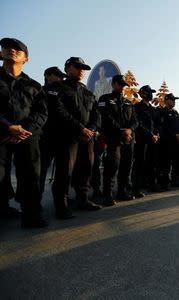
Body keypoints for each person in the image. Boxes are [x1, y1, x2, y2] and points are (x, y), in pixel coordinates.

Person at [0, 37, 48, 228]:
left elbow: (42, 112)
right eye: (7, 47)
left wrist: (23, 130)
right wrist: (7, 127)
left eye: (17, 49)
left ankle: (31, 214)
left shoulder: (34, 85)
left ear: (26, 59)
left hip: (27, 137)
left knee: (30, 176)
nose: (11, 50)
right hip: (1, 134)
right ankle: (2, 208)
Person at [47, 57, 102, 219]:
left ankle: (83, 199)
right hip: (66, 137)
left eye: (83, 68)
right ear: (67, 68)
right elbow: (57, 110)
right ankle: (61, 205)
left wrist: (91, 130)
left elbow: (96, 114)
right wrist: (80, 128)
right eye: (77, 67)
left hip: (87, 139)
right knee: (65, 171)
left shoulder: (87, 91)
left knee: (86, 168)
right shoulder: (57, 87)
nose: (81, 70)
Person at [99, 75, 138, 206]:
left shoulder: (128, 102)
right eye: (120, 84)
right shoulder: (105, 99)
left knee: (126, 167)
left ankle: (122, 191)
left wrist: (130, 130)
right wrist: (122, 131)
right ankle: (107, 195)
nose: (122, 87)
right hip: (114, 139)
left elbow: (135, 120)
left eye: (124, 85)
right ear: (113, 84)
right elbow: (106, 117)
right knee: (112, 167)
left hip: (128, 139)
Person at [40, 67, 66, 197]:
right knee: (41, 170)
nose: (61, 78)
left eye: (62, 76)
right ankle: (35, 202)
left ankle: (62, 199)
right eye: (57, 75)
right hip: (46, 136)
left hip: (62, 136)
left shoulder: (64, 91)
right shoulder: (41, 91)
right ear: (47, 76)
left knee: (63, 170)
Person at [132, 85, 159, 198]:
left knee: (152, 163)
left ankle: (152, 184)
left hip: (153, 140)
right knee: (139, 163)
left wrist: (156, 134)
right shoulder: (137, 107)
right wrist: (150, 135)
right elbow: (139, 123)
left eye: (151, 92)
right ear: (142, 93)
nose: (151, 94)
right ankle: (136, 188)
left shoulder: (152, 109)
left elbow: (156, 123)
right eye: (149, 92)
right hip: (141, 139)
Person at [158, 93, 179, 189]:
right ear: (166, 100)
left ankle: (175, 179)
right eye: (172, 99)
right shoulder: (162, 112)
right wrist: (174, 135)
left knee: (176, 162)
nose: (174, 101)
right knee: (166, 163)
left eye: (175, 100)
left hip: (177, 142)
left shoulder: (175, 112)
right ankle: (165, 182)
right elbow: (163, 127)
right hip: (167, 142)